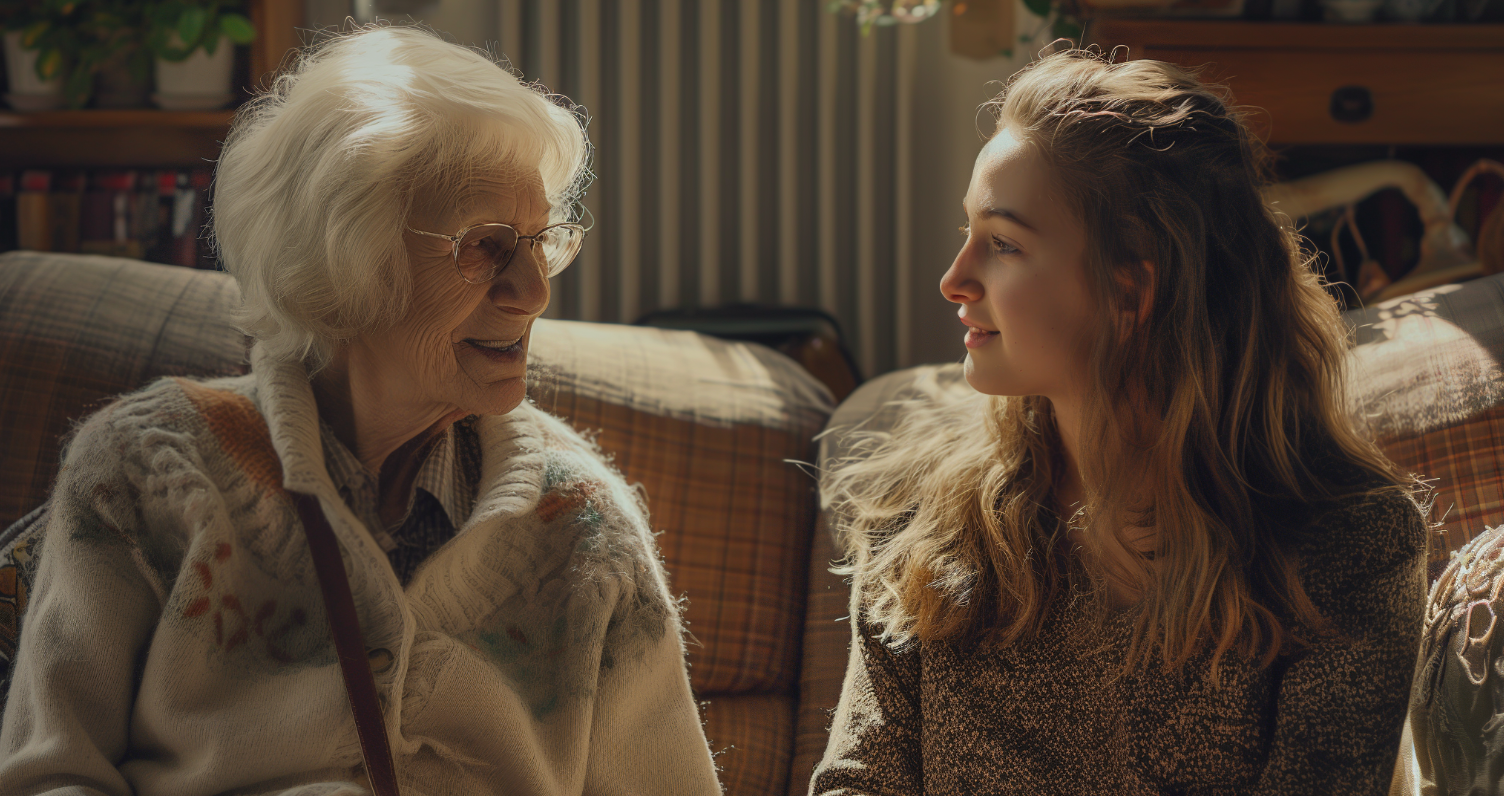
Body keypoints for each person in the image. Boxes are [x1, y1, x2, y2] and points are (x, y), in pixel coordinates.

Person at [0, 26, 721, 795]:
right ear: (344, 259)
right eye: (487, 247)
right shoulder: (147, 474)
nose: (533, 292)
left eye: (543, 242)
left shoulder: (582, 526)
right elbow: (50, 775)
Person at [811, 47, 1428, 795]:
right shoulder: (917, 532)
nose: (954, 279)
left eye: (1002, 244)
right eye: (969, 232)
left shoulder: (1348, 547)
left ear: (1130, 292)